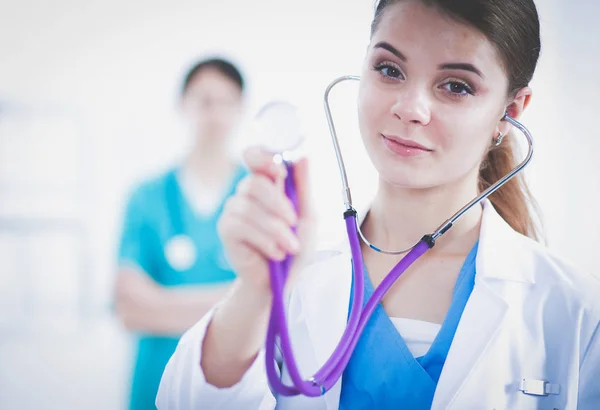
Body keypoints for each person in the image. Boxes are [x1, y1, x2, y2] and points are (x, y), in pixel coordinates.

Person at [156, 1, 600, 409]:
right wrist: (256, 292)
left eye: (456, 86)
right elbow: (186, 401)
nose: (411, 108)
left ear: (511, 112)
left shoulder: (572, 310)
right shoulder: (297, 275)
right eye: (390, 69)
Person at [114, 57, 247, 410]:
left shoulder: (261, 195)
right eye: (205, 101)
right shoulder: (147, 196)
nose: (215, 114)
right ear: (182, 105)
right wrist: (242, 302)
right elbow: (130, 308)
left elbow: (280, 301)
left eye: (227, 102)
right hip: (155, 383)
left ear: (241, 109)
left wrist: (162, 304)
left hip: (238, 390)